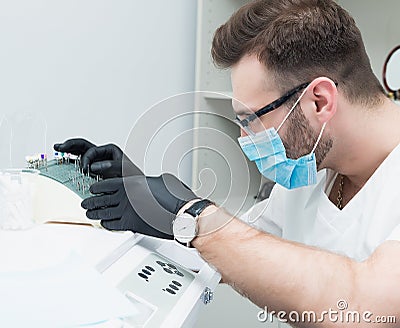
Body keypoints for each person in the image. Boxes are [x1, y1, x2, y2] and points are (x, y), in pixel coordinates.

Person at [56, 0, 400, 325]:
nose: (245, 139)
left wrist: (193, 214)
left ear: (320, 102)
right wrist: (156, 207)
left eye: (250, 119)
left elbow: (366, 308)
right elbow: (243, 254)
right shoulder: (310, 171)